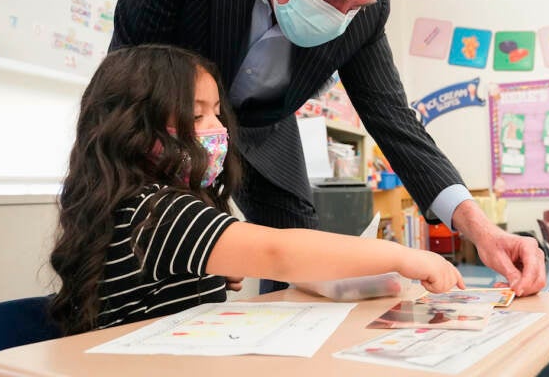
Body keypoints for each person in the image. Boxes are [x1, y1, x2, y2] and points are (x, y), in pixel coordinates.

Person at [110, 0, 545, 295]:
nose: (341, 18)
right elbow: (131, 70)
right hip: (168, 119)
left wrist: (482, 230)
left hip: (265, 130)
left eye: (357, 6)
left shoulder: (366, 12)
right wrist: (203, 210)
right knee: (159, 257)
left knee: (301, 245)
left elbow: (394, 120)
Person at [49, 45, 464, 335]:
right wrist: (406, 256)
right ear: (134, 128)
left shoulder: (142, 206)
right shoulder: (156, 211)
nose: (218, 128)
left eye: (216, 112)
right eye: (196, 115)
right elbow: (278, 252)